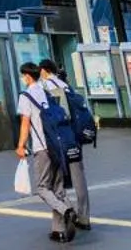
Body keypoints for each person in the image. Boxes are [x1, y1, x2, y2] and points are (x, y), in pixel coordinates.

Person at [16, 63, 78, 242]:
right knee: (57, 188)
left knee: (42, 188)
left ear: (27, 76)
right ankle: (58, 231)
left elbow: (25, 123)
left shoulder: (26, 96)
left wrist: (21, 145)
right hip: (56, 145)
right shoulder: (45, 92)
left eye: (23, 76)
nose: (22, 78)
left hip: (41, 147)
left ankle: (67, 210)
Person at [39, 58, 90, 232]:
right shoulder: (65, 84)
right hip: (76, 137)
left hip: (63, 138)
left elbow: (60, 115)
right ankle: (84, 217)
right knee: (78, 178)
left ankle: (67, 213)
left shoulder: (50, 86)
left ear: (44, 71)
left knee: (57, 179)